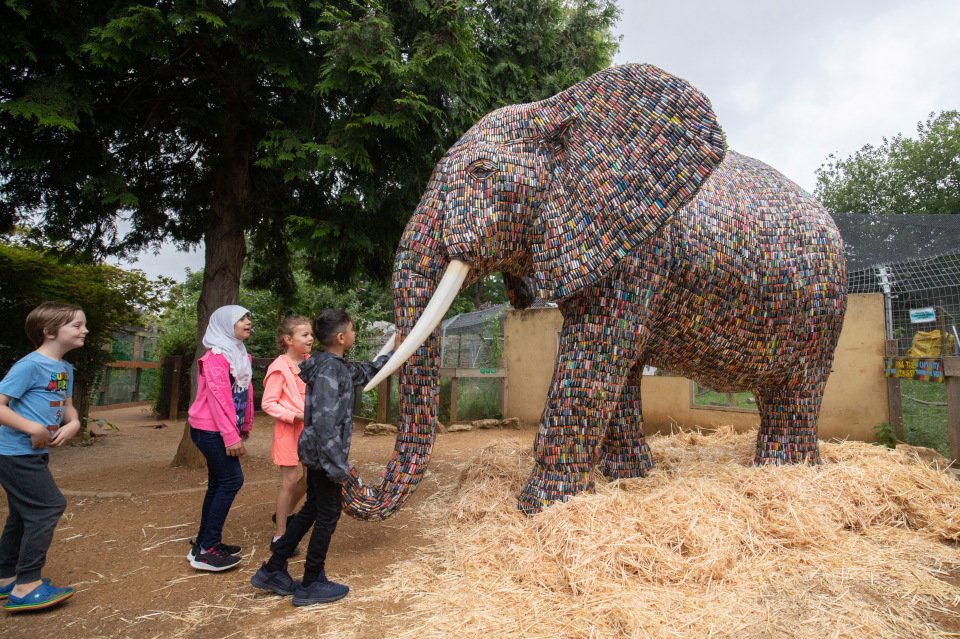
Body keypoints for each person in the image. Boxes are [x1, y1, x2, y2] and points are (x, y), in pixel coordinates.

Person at [251, 309, 393, 606]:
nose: (354, 334)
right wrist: (337, 466)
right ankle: (312, 580)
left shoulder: (329, 365)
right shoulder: (330, 371)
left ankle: (274, 568)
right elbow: (327, 424)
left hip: (316, 453)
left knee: (313, 508)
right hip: (324, 455)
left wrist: (395, 347)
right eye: (352, 330)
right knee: (328, 513)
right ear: (342, 338)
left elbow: (365, 372)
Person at [0, 302, 87, 612]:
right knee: (49, 506)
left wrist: (74, 423)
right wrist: (33, 428)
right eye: (76, 325)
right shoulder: (29, 365)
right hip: (13, 452)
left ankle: (5, 576)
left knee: (23, 512)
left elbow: (67, 405)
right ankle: (27, 585)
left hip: (31, 454)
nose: (84, 330)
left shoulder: (63, 369)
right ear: (49, 331)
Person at [186, 305, 254, 572]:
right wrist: (229, 435)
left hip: (224, 428)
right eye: (241, 318)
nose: (248, 322)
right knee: (231, 480)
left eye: (248, 317)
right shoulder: (215, 356)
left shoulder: (238, 353)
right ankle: (206, 550)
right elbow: (217, 399)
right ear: (226, 324)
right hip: (210, 429)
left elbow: (244, 392)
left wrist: (244, 424)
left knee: (218, 483)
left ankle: (205, 542)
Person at [261, 316, 312, 543]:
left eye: (311, 334)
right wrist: (295, 416)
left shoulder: (311, 363)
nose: (311, 338)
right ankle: (280, 534)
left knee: (311, 479)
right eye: (305, 335)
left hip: (310, 431)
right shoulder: (279, 368)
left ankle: (285, 514)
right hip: (288, 430)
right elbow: (268, 403)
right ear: (288, 339)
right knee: (289, 481)